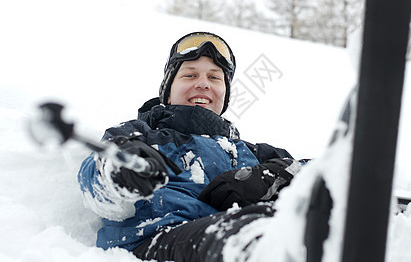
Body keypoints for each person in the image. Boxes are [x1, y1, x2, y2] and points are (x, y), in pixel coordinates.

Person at [77, 32, 307, 261]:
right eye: (190, 75)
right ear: (168, 90)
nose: (203, 84)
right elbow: (95, 175)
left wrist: (275, 174)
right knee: (264, 235)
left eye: (215, 78)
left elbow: (330, 171)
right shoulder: (137, 135)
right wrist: (122, 171)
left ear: (224, 94)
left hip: (239, 229)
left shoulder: (250, 153)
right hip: (156, 242)